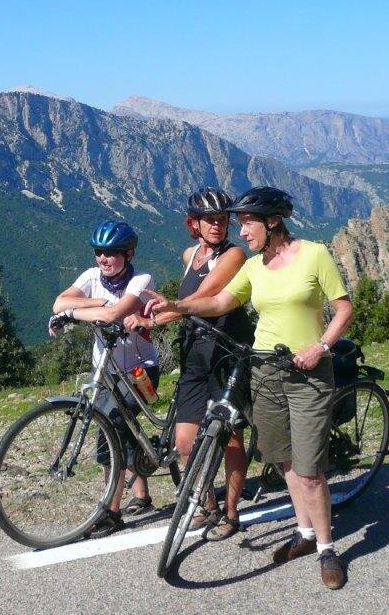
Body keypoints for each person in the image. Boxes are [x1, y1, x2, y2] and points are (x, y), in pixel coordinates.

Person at [144, 186, 353, 589]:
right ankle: (305, 534)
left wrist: (321, 346)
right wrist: (177, 307)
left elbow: (343, 308)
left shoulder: (314, 255)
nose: (240, 231)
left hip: (308, 374)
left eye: (246, 223)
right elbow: (220, 302)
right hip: (265, 372)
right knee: (285, 461)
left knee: (310, 471)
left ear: (272, 222)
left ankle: (327, 549)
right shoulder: (255, 267)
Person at [125, 188, 253, 541]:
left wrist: (155, 319)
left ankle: (231, 513)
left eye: (222, 219)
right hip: (195, 351)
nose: (217, 225)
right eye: (209, 220)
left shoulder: (234, 254)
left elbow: (202, 298)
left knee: (231, 439)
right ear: (193, 223)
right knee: (184, 442)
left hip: (227, 351)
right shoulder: (190, 254)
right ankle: (207, 505)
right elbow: (185, 304)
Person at [47, 219, 159, 537]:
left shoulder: (141, 280)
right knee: (117, 428)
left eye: (111, 253)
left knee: (111, 426)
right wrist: (96, 302)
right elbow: (59, 302)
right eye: (99, 252)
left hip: (140, 370)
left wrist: (71, 314)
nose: (103, 259)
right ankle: (141, 496)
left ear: (128, 254)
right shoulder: (91, 277)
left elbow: (112, 315)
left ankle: (111, 511)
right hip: (106, 370)